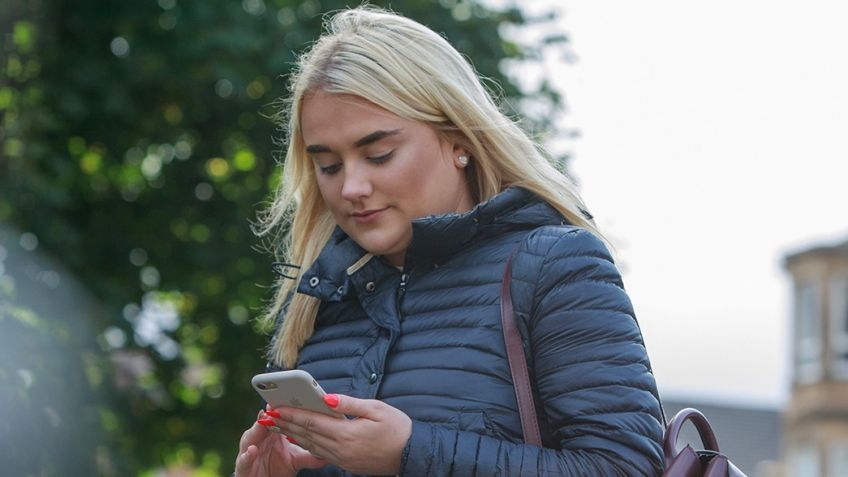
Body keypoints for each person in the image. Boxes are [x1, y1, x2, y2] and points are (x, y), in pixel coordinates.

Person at [234, 5, 664, 476]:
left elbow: (624, 468)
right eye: (328, 166)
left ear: (457, 140)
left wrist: (410, 452)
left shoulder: (553, 265)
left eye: (378, 155)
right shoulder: (320, 304)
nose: (350, 188)